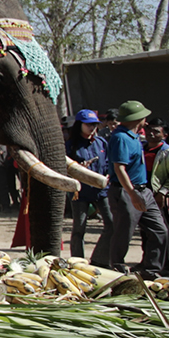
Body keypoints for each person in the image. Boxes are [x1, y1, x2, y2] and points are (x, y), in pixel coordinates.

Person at [92, 100, 169, 278]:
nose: (146, 120)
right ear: (136, 119)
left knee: (159, 230)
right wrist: (132, 194)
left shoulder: (134, 137)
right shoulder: (121, 138)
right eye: (144, 117)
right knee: (123, 231)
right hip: (126, 191)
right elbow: (119, 168)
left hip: (144, 190)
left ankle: (151, 270)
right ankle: (117, 268)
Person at [65, 108, 110, 259]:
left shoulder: (102, 142)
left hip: (101, 191)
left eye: (95, 124)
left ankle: (100, 258)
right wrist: (78, 169)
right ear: (79, 125)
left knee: (111, 224)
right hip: (80, 192)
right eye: (88, 124)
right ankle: (77, 260)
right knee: (79, 228)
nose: (92, 128)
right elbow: (64, 168)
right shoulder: (71, 145)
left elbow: (110, 163)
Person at [145, 119, 169, 273]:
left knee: (163, 231)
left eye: (156, 131)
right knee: (146, 232)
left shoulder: (168, 152)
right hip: (143, 194)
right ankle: (148, 262)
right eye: (149, 130)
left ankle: (167, 265)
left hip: (159, 197)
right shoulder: (142, 148)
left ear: (164, 135)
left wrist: (163, 192)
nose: (152, 134)